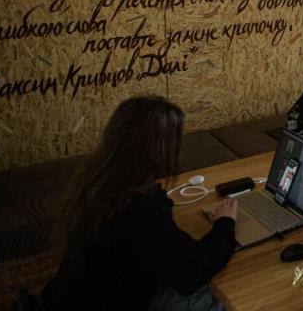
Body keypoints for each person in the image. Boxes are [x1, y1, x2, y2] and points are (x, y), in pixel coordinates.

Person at [42, 96, 237, 311]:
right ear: (157, 149)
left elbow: (157, 239)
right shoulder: (139, 211)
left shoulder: (98, 181)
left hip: (73, 297)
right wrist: (224, 224)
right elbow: (192, 272)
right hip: (114, 303)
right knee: (221, 298)